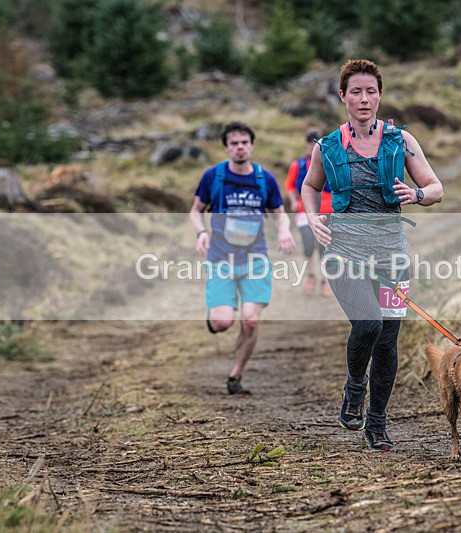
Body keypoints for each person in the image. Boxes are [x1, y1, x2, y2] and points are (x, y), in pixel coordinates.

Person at [300, 59, 444, 452]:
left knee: (387, 341)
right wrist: (312, 220)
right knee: (368, 325)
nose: (364, 99)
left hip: (391, 256)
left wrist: (416, 194)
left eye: (372, 91)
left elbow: (435, 187)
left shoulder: (402, 141)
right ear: (343, 96)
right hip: (343, 252)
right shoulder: (326, 146)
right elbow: (310, 186)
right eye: (356, 92)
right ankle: (354, 387)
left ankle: (377, 424)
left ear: (380, 95)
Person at [189, 121, 296, 396]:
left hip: (255, 257)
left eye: (244, 143)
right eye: (234, 143)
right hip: (221, 258)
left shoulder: (265, 179)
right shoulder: (213, 176)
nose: (239, 148)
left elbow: (279, 213)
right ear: (226, 147)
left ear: (251, 145)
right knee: (223, 323)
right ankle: (215, 317)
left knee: (250, 321)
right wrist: (201, 233)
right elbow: (195, 210)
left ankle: (235, 376)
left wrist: (284, 231)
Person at [285, 130, 333, 297]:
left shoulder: (332, 162)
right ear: (307, 145)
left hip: (328, 212)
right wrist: (292, 201)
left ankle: (324, 281)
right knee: (307, 245)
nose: (314, 146)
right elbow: (290, 186)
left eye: (317, 142)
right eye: (311, 143)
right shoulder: (298, 165)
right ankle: (311, 276)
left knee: (324, 248)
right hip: (305, 211)